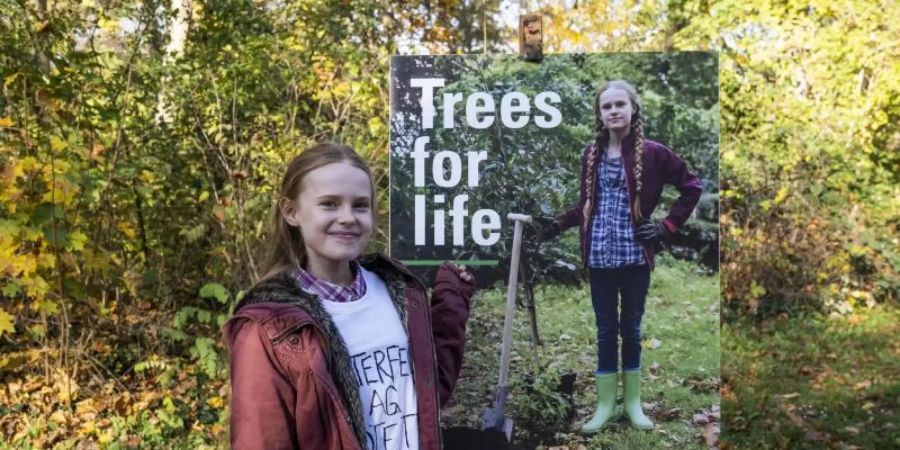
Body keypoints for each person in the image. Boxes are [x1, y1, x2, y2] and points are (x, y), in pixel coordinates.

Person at [223, 142, 475, 450]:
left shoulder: (397, 289)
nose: (347, 217)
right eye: (329, 204)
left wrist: (453, 299)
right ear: (291, 212)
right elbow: (261, 441)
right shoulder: (269, 327)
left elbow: (425, 393)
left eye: (360, 205)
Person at [541, 80, 702, 433]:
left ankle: (632, 405)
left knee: (630, 329)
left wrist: (667, 226)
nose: (613, 111)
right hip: (598, 256)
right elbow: (586, 205)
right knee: (604, 331)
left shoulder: (655, 153)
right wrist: (553, 225)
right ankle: (604, 405)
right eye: (606, 106)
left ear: (633, 109)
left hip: (633, 258)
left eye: (619, 105)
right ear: (600, 114)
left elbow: (692, 186)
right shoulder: (591, 154)